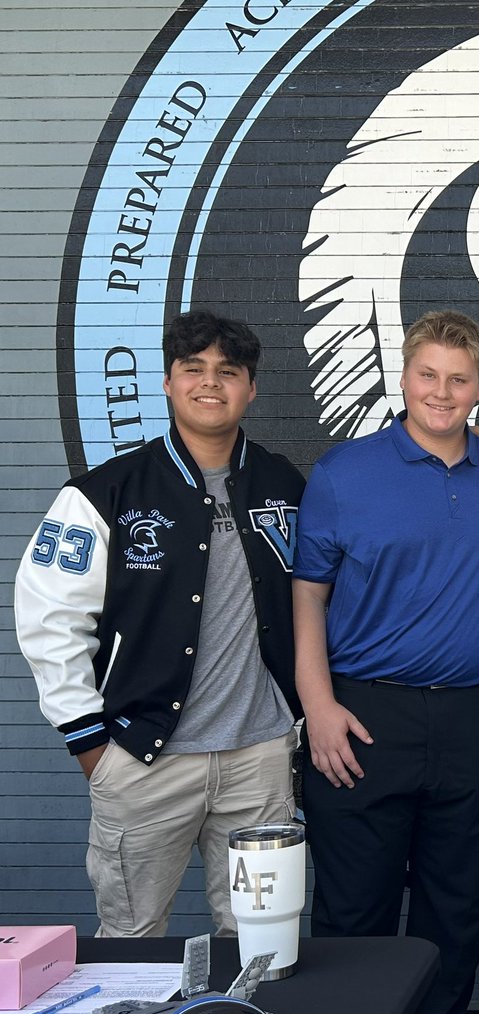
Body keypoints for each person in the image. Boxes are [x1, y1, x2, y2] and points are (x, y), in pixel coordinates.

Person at [292, 310, 479, 1014]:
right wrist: (316, 705)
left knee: (455, 910)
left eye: (459, 379)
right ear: (404, 377)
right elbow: (309, 596)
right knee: (353, 913)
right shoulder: (344, 472)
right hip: (364, 713)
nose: (442, 392)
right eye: (428, 375)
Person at [14, 310, 303, 937]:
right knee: (132, 941)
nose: (211, 383)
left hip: (259, 762)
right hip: (145, 759)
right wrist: (91, 744)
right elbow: (49, 619)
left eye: (229, 372)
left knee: (261, 938)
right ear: (168, 382)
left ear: (251, 389)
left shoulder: (284, 484)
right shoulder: (106, 492)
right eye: (193, 369)